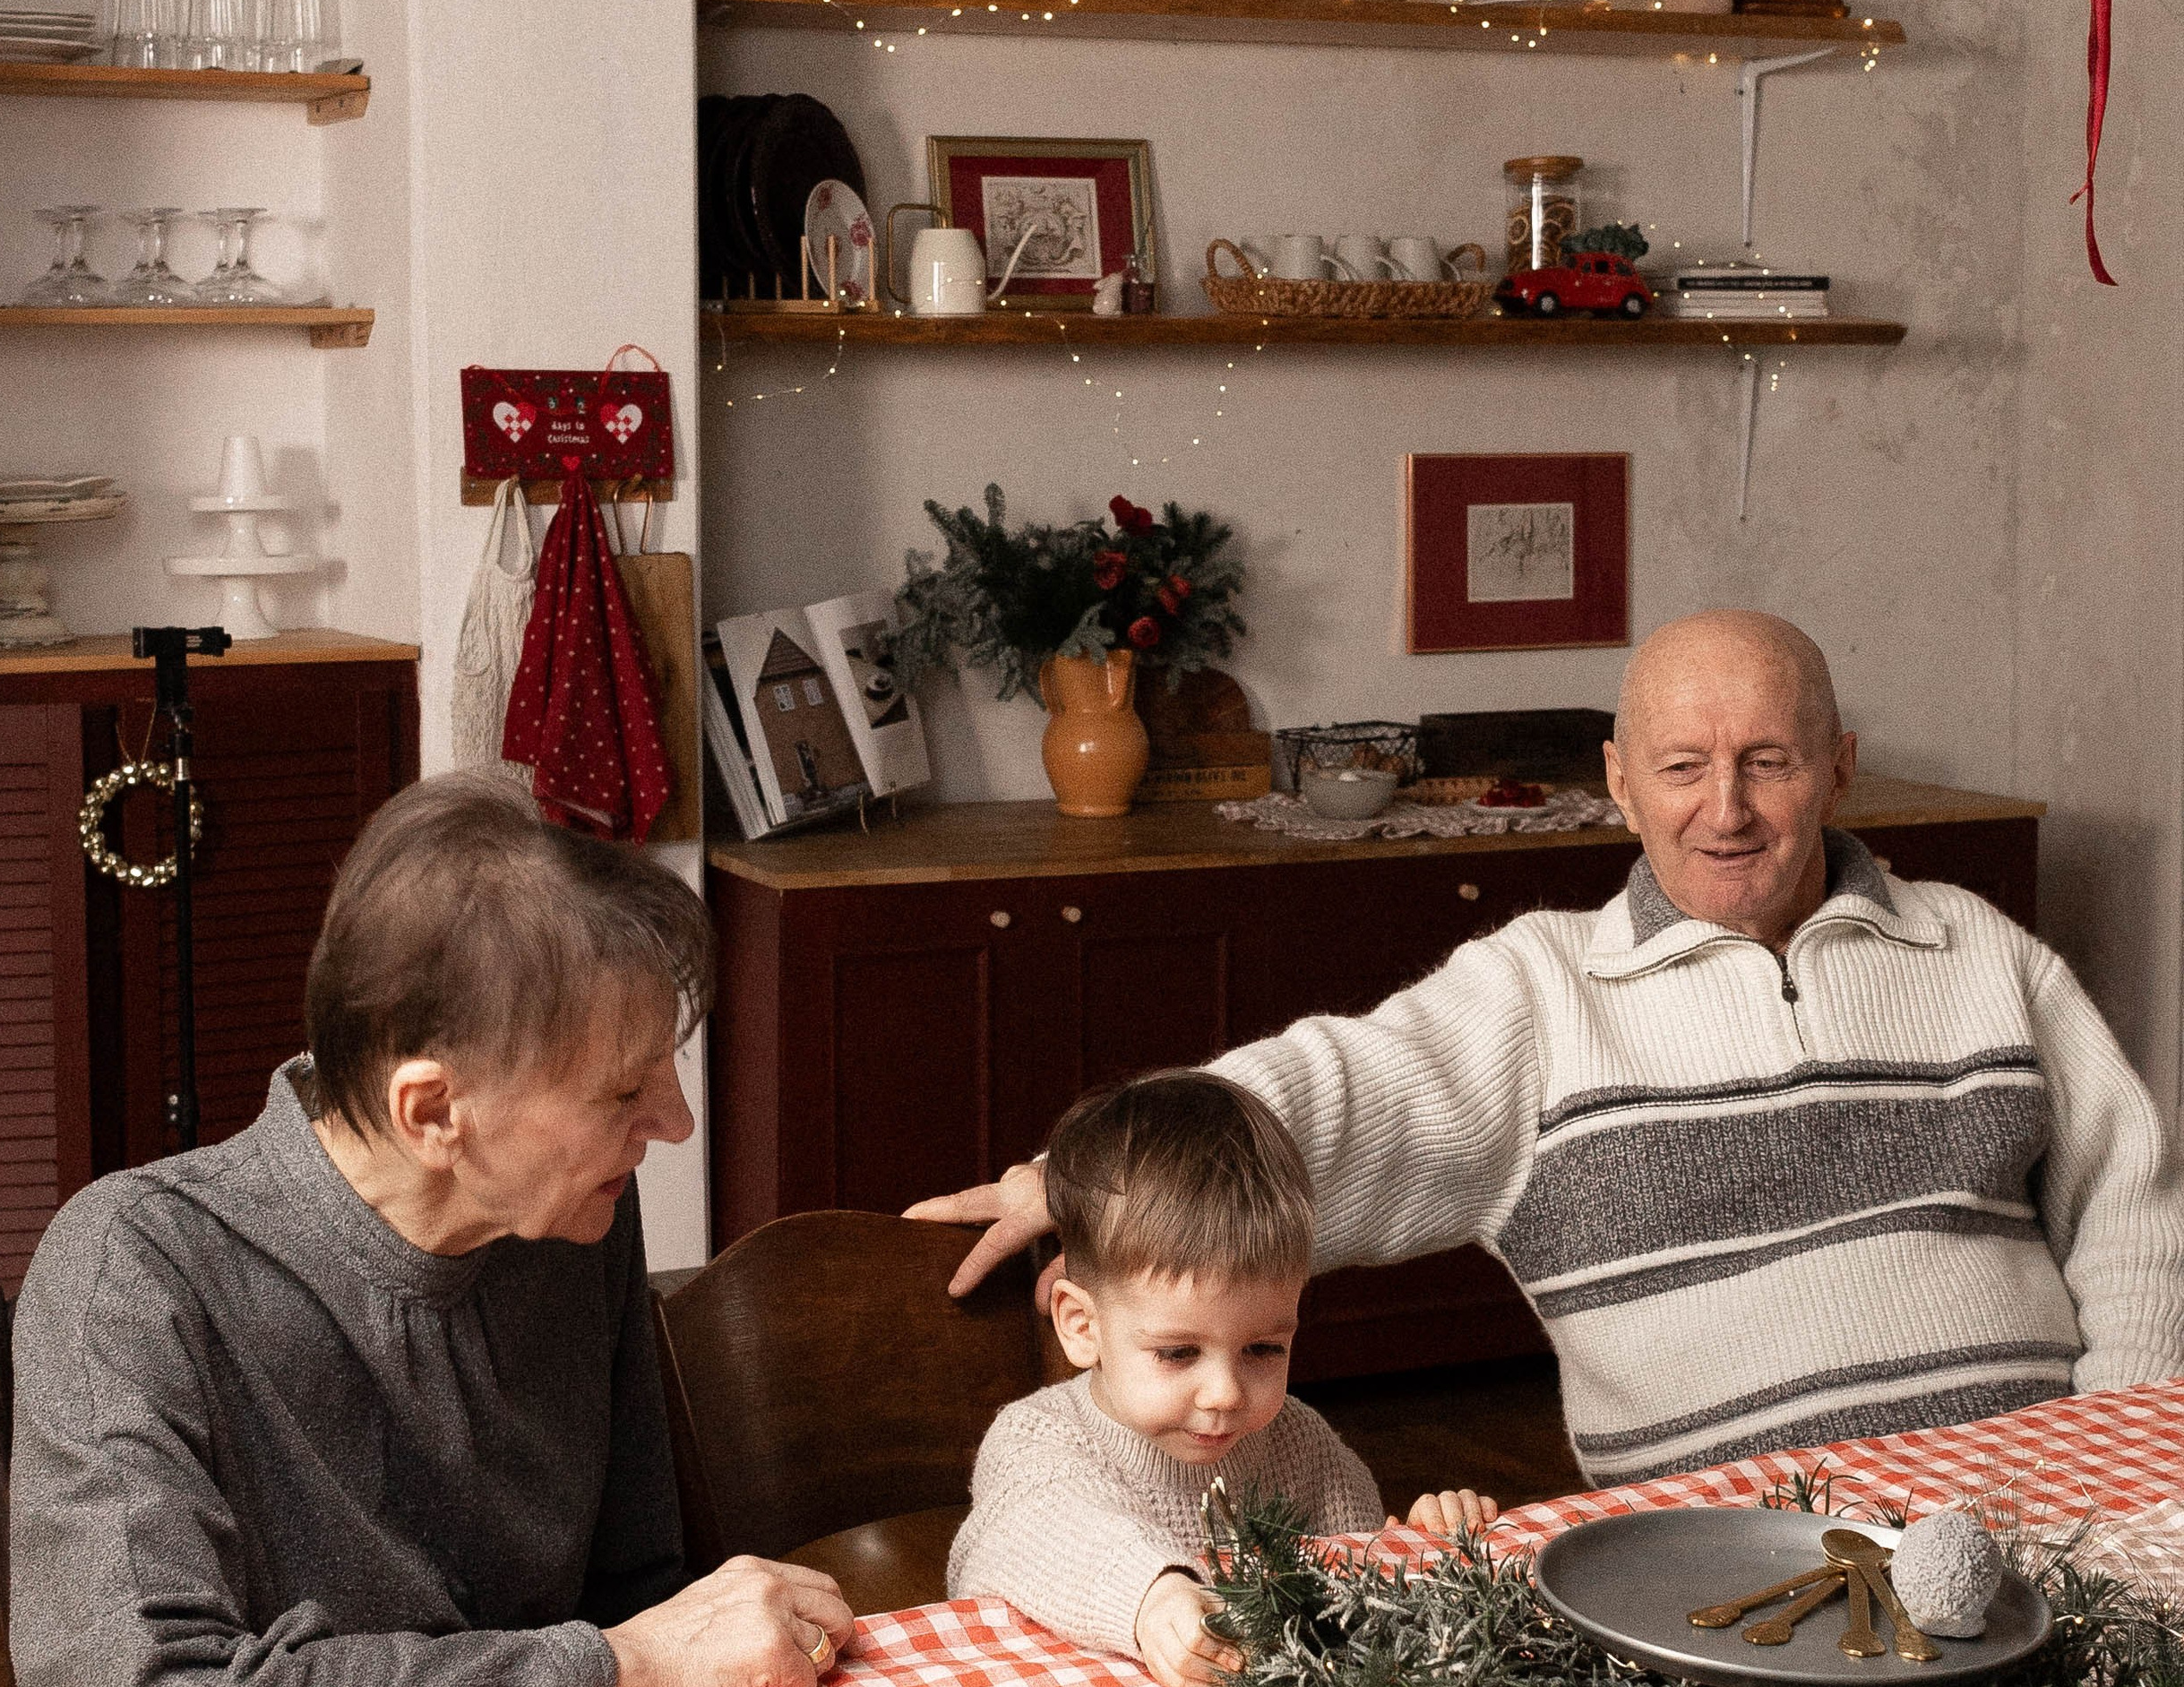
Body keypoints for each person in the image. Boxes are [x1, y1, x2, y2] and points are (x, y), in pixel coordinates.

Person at [922, 609, 2184, 1484]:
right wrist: (1085, 1169)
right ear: (1619, 783)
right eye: (1682, 767)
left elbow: (2133, 1217)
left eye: (1769, 764)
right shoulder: (1541, 993)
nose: (1726, 810)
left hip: (2046, 1520)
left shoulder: (1978, 950)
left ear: (1840, 770)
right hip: (1723, 1577)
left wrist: (2117, 1471)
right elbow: (1334, 1092)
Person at [4, 773, 854, 1687]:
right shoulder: (134, 1268)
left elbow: (639, 1591)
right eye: (622, 1092)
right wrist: (614, 1667)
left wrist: (645, 1656)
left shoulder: (566, 1224)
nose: (673, 1123)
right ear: (433, 1109)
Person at [948, 1071, 1495, 1687]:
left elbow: (1356, 1600)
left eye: (1263, 1348)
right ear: (1082, 1326)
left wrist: (1417, 1548)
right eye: (1179, 1353)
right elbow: (1018, 1539)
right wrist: (1152, 1601)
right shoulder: (1036, 1439)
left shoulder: (1300, 1446)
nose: (1225, 1393)